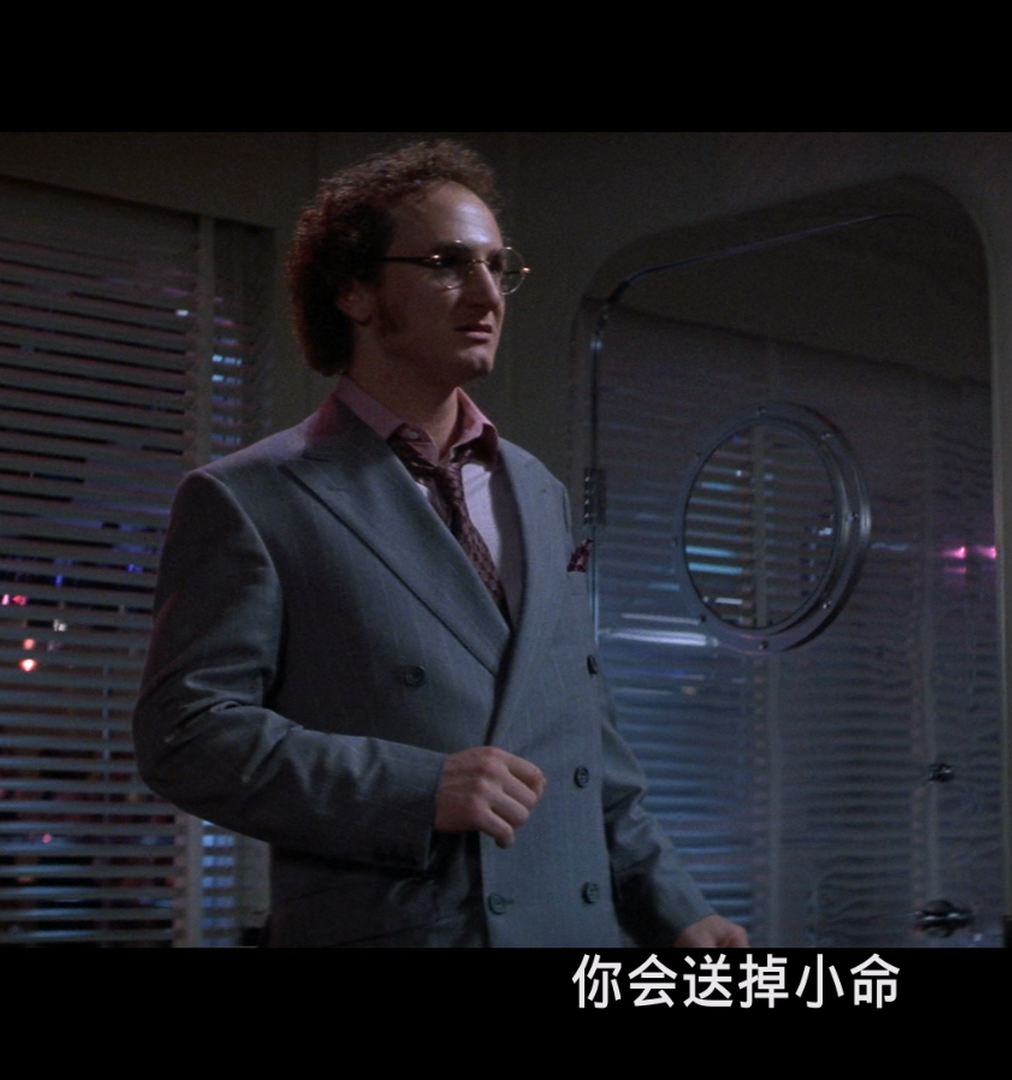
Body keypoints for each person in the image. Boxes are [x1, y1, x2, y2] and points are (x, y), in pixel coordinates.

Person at [133, 141, 746, 948]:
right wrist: (417, 789)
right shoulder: (250, 497)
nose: (487, 294)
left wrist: (680, 910)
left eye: (498, 266)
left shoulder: (539, 490)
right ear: (354, 291)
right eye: (446, 264)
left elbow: (583, 743)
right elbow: (186, 737)